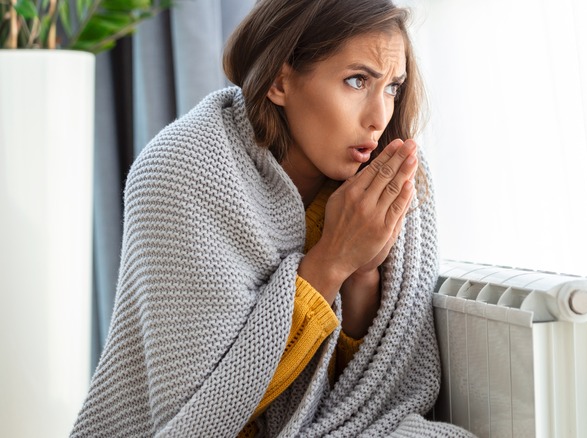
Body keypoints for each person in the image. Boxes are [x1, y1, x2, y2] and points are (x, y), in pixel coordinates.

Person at [71, 0, 473, 436]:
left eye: (393, 88)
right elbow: (202, 414)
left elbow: (372, 393)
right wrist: (332, 259)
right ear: (280, 81)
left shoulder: (385, 179)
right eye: (357, 81)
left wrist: (363, 274)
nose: (380, 117)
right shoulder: (181, 171)